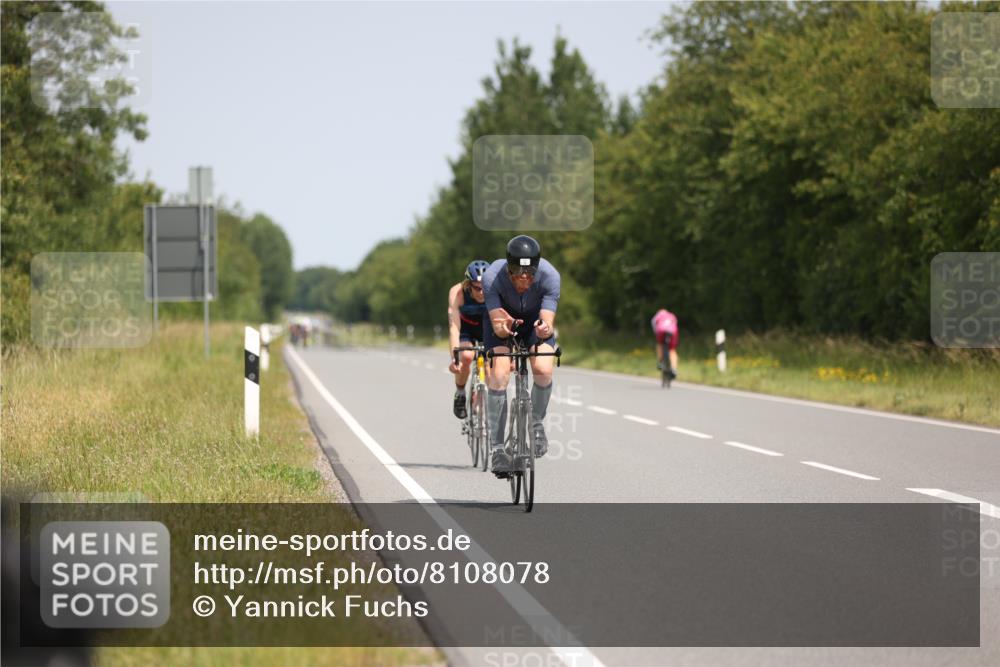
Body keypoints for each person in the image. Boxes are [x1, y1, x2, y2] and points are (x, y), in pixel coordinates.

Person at [482, 235, 560, 476]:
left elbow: (547, 321)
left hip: (533, 324)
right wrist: (502, 328)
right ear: (508, 267)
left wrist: (544, 328)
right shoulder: (492, 277)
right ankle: (497, 449)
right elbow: (497, 326)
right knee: (499, 374)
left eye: (530, 271)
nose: (524, 277)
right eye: (517, 270)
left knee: (544, 370)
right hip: (502, 323)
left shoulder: (550, 276)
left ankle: (536, 423)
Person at [447, 260, 491, 418]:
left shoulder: (496, 291)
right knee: (465, 356)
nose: (481, 292)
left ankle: (487, 401)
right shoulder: (457, 293)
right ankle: (460, 393)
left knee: (491, 369)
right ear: (468, 285)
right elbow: (454, 328)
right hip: (466, 330)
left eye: (484, 288)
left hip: (488, 330)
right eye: (476, 288)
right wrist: (454, 358)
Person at [651, 308, 679, 379]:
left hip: (661, 331)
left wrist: (657, 335)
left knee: (659, 344)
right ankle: (674, 369)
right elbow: (675, 324)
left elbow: (654, 326)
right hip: (672, 332)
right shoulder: (672, 315)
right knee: (672, 350)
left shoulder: (657, 316)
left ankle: (660, 362)